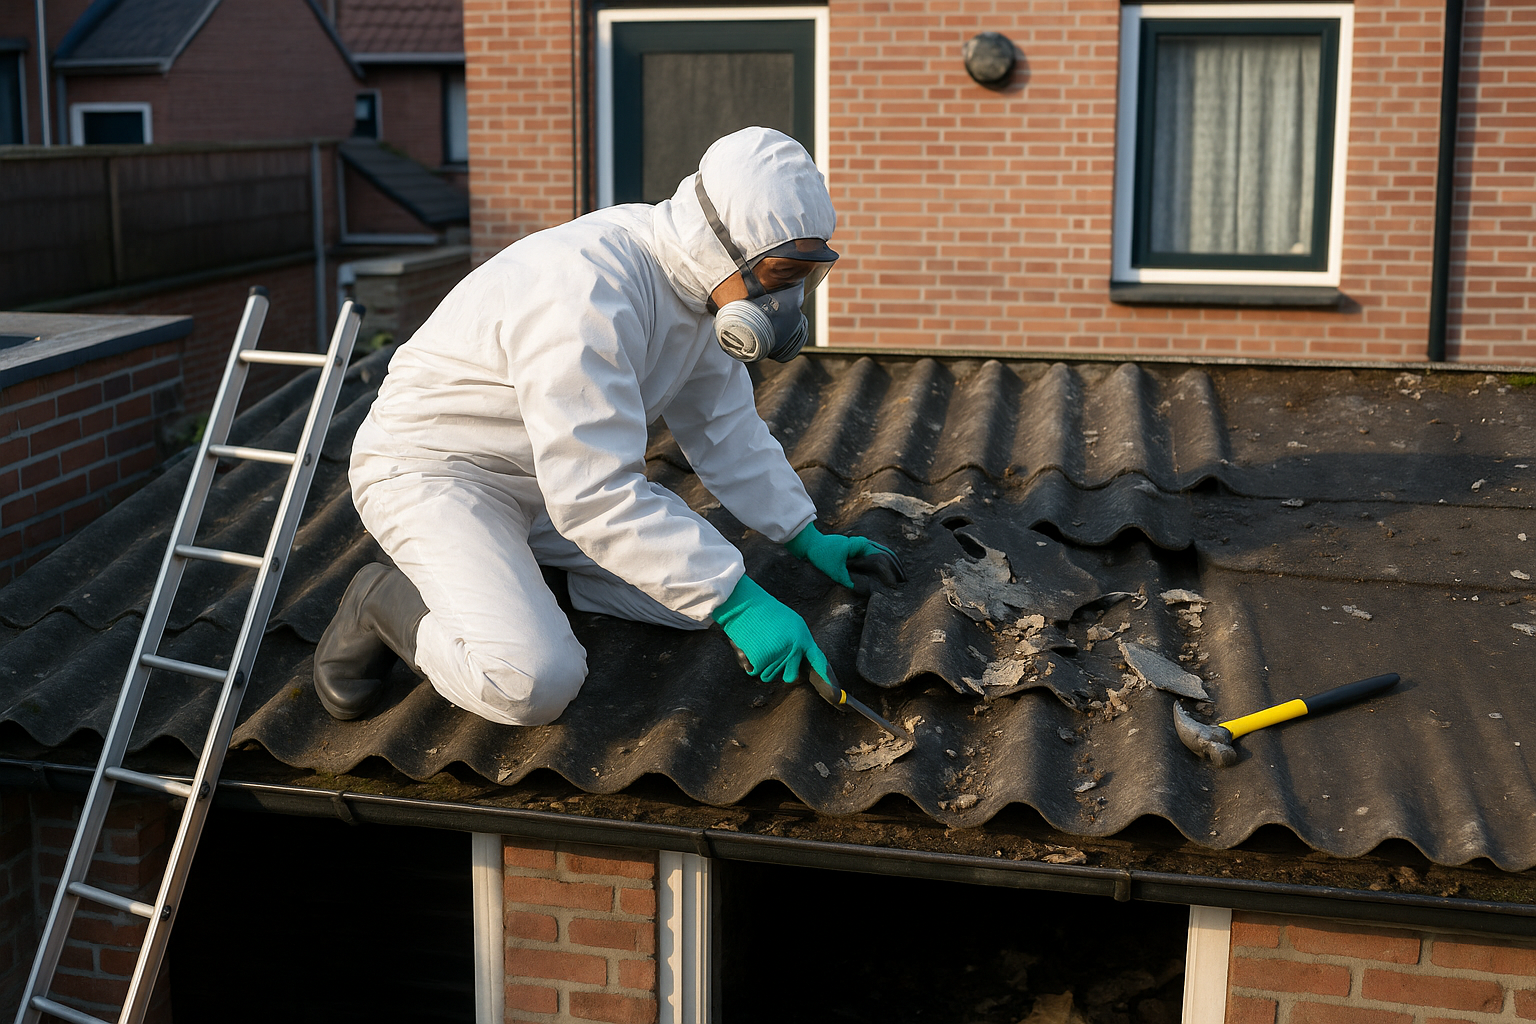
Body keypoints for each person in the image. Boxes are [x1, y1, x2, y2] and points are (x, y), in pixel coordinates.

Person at [313, 127, 901, 727]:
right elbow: (594, 492)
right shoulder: (589, 288)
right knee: (533, 681)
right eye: (781, 274)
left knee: (691, 602)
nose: (786, 299)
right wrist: (740, 605)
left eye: (803, 275)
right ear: (721, 243)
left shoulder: (698, 289)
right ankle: (379, 600)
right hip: (435, 475)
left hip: (543, 484)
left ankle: (526, 585)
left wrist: (806, 535)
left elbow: (726, 430)